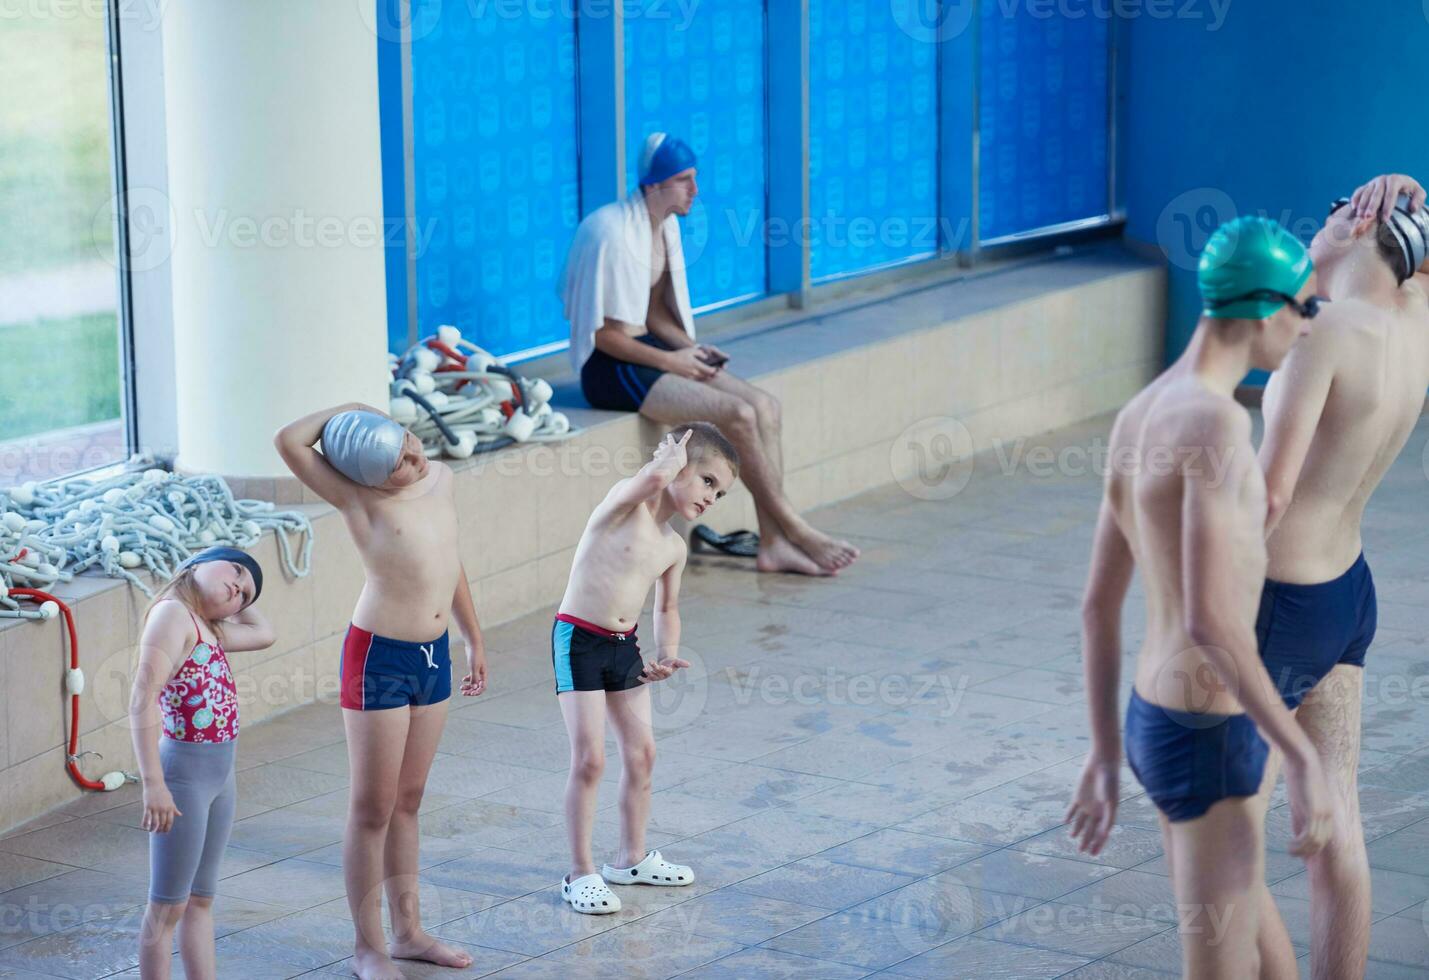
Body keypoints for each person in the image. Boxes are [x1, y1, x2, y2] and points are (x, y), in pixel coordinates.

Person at [1067, 216, 1334, 978]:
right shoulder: (1215, 423)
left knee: (1266, 956)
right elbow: (1211, 620)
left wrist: (1104, 751)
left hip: (1156, 719)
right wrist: (1300, 755)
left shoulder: (1141, 409)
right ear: (1260, 306)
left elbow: (1095, 604)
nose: (1309, 329)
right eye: (1304, 308)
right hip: (1208, 737)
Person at [1254, 171, 1429, 979]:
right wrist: (1402, 193)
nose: (1309, 233)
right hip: (1347, 595)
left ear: (1357, 226)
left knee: (1217, 835)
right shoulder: (1413, 316)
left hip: (1280, 603)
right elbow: (1413, 258)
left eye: (1324, 215)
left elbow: (1269, 494)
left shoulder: (1319, 331)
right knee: (1335, 826)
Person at [558, 131, 858, 577]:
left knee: (764, 406)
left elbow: (655, 312)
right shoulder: (612, 232)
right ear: (653, 184)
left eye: (694, 178)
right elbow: (603, 336)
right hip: (611, 367)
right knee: (737, 414)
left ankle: (773, 543)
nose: (694, 191)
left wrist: (688, 349)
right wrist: (673, 362)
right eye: (684, 180)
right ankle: (794, 527)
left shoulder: (664, 225)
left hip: (649, 350)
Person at [275, 405, 488, 980]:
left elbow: (450, 559)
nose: (417, 460)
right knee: (373, 809)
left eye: (412, 444)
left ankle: (409, 933)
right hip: (379, 658)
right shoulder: (360, 501)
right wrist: (345, 410)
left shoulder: (440, 479)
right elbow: (290, 440)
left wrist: (471, 633)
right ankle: (368, 947)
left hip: (434, 653)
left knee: (410, 800)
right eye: (398, 464)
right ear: (369, 477)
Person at [553, 423, 735, 914]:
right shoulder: (623, 503)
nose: (712, 497)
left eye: (720, 492)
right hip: (579, 640)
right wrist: (668, 460)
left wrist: (664, 652)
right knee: (590, 759)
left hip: (625, 645)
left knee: (643, 754)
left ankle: (630, 859)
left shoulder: (673, 545)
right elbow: (651, 482)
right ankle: (579, 873)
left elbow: (666, 607)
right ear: (676, 465)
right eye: (707, 481)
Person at [131, 547, 274, 980]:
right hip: (183, 778)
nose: (239, 589)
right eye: (235, 571)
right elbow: (142, 699)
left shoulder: (209, 628)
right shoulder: (173, 615)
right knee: (167, 905)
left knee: (200, 899)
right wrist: (153, 784)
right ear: (195, 564)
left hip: (220, 776)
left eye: (244, 595)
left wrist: (232, 597)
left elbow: (265, 631)